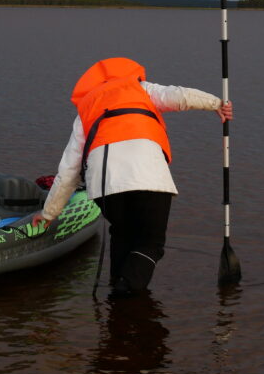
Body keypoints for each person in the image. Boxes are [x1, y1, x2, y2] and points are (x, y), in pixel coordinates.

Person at [33, 57, 233, 297]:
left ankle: (117, 295)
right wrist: (217, 104)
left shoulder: (86, 109)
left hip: (104, 186)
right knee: (150, 244)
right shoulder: (141, 89)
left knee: (122, 234)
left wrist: (48, 214)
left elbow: (68, 170)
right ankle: (126, 295)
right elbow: (180, 96)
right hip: (148, 177)